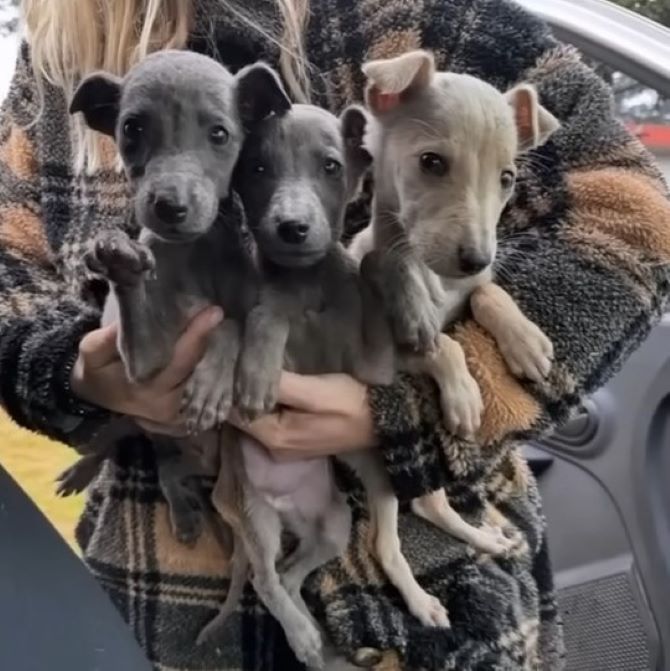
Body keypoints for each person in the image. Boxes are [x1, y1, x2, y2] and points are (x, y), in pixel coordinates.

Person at [1, 0, 668, 668]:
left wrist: (420, 400)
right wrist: (69, 370)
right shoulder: (66, 44)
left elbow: (636, 222)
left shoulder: (417, 15)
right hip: (161, 604)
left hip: (436, 611)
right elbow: (10, 274)